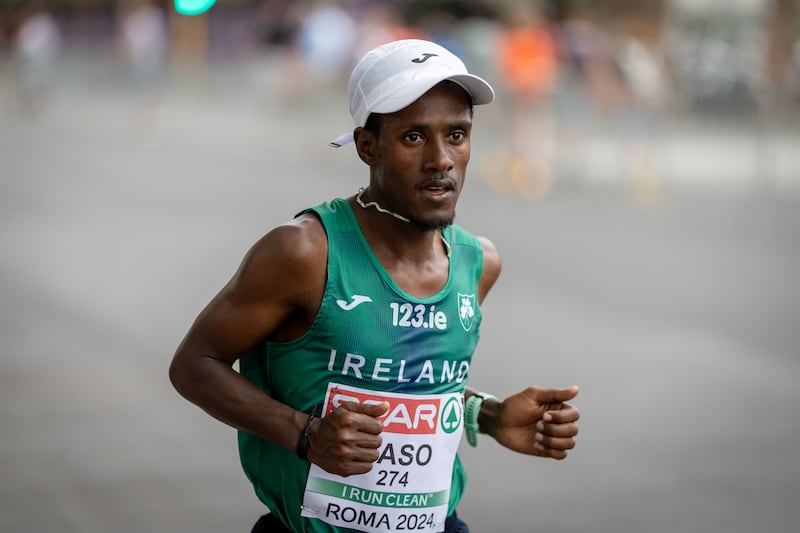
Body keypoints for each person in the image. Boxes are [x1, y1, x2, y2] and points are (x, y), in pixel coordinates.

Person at [169, 39, 580, 533]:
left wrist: (489, 416)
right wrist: (306, 434)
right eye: (413, 138)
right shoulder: (304, 253)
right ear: (367, 146)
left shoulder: (478, 261)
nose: (441, 160)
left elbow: (413, 383)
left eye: (457, 134)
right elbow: (194, 365)